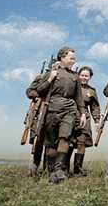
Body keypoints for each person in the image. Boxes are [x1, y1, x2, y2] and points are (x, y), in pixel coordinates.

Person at [34, 46, 86, 183]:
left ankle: (59, 168)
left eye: (74, 58)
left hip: (69, 109)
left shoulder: (75, 76)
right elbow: (39, 90)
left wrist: (82, 114)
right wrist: (50, 78)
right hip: (52, 109)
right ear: (62, 57)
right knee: (51, 143)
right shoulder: (52, 72)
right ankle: (51, 173)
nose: (73, 61)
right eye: (71, 58)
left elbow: (79, 97)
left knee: (65, 138)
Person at [69, 66, 101, 176]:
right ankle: (63, 168)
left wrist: (97, 121)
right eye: (82, 75)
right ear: (78, 75)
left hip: (85, 119)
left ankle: (78, 169)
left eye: (86, 76)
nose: (84, 77)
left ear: (90, 77)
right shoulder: (72, 86)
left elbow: (95, 107)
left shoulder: (91, 91)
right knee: (69, 143)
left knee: (81, 143)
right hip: (70, 117)